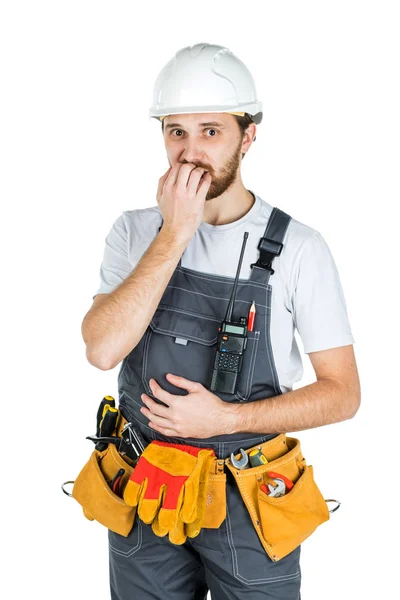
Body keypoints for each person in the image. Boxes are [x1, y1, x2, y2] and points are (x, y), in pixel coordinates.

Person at [81, 42, 360, 600]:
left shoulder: (299, 249)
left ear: (248, 136)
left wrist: (226, 419)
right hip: (144, 489)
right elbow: (103, 349)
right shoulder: (135, 233)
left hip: (249, 498)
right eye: (176, 132)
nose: (189, 152)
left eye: (211, 131)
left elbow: (343, 394)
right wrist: (176, 233)